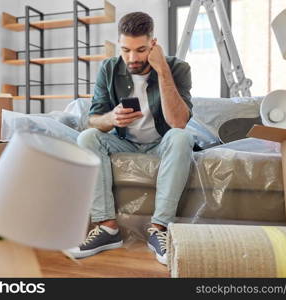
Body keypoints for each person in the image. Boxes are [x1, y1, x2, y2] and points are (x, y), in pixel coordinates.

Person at [66, 11, 194, 265]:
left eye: (141, 50)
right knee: (88, 137)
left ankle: (159, 229)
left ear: (153, 44)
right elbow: (93, 120)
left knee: (182, 138)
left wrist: (162, 70)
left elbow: (178, 122)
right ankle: (107, 228)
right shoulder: (109, 68)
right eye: (126, 50)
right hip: (125, 142)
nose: (132, 58)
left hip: (162, 142)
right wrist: (111, 119)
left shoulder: (178, 68)